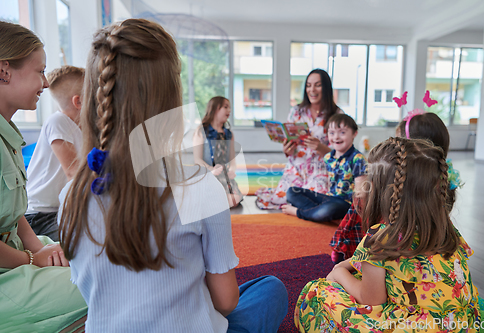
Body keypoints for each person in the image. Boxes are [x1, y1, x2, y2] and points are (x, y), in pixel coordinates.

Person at [58, 19, 287, 332]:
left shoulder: (69, 196)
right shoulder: (200, 187)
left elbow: (90, 291)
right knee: (270, 288)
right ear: (169, 99)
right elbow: (226, 302)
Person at [295, 137, 480, 333]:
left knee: (316, 292)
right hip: (460, 325)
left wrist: (340, 271)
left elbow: (371, 300)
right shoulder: (446, 228)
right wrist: (351, 262)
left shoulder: (379, 238)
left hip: (411, 328)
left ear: (380, 191)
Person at [0, 21, 87, 332]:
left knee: (93, 260)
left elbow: (11, 213)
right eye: (40, 71)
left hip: (15, 253)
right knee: (102, 283)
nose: (46, 83)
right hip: (7, 269)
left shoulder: (8, 135)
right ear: (4, 71)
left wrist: (36, 248)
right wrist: (31, 260)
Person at [330, 111, 461, 264]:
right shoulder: (449, 230)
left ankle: (341, 248)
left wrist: (340, 270)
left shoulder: (383, 238)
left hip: (388, 252)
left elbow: (370, 285)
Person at [255, 69, 342, 210]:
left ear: (326, 88)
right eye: (308, 85)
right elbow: (290, 147)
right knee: (279, 199)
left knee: (317, 199)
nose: (312, 89)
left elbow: (341, 155)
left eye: (317, 85)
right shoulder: (296, 111)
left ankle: (299, 209)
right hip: (296, 166)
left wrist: (320, 148)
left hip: (320, 169)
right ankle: (300, 207)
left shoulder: (337, 115)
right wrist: (287, 150)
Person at [25, 66, 84, 241]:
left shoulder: (84, 128)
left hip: (58, 211)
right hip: (38, 215)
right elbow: (74, 174)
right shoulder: (57, 121)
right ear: (78, 102)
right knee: (83, 239)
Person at [283, 114, 367, 223]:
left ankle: (300, 212)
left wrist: (359, 215)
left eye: (342, 132)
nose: (336, 137)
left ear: (354, 133)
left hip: (346, 204)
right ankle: (320, 214)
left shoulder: (357, 158)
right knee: (291, 192)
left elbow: (361, 191)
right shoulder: (328, 157)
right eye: (332, 133)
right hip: (329, 198)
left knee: (330, 208)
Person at [193, 96, 243, 208]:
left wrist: (232, 170)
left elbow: (232, 159)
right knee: (223, 199)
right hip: (207, 174)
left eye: (229, 108)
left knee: (235, 199)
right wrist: (212, 170)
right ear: (215, 109)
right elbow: (197, 160)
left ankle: (216, 202)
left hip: (224, 176)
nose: (229, 111)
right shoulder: (201, 131)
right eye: (225, 107)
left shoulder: (229, 134)